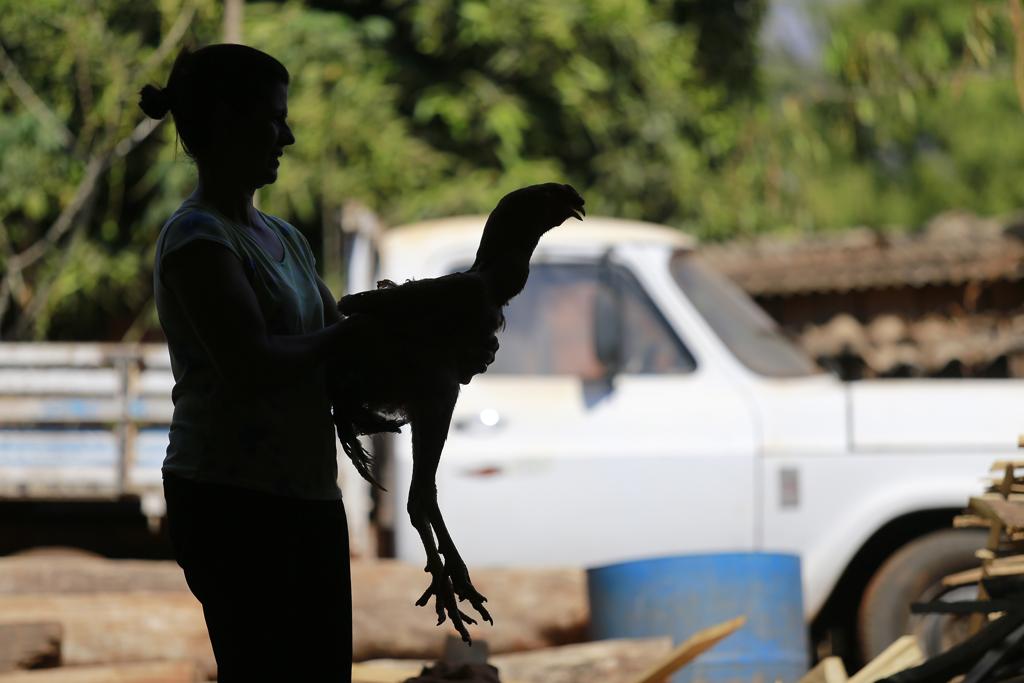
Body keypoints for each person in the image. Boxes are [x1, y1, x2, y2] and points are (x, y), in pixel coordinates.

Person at [139, 43, 495, 682]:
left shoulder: (286, 240)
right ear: (224, 120)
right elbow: (254, 365)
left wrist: (432, 352)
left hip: (303, 494)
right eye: (274, 119)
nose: (289, 135)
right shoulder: (198, 240)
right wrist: (369, 329)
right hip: (231, 502)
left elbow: (342, 365)